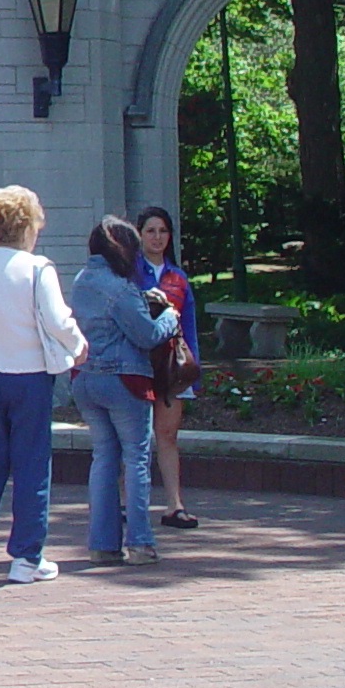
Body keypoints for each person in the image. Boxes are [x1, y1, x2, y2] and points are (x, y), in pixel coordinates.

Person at [0, 184, 86, 583]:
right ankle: (25, 557)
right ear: (28, 227)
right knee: (31, 467)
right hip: (29, 378)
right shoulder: (38, 268)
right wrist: (78, 346)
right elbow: (59, 322)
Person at [69, 216, 182, 564]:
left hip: (85, 378)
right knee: (136, 459)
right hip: (123, 379)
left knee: (103, 457)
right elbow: (146, 334)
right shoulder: (119, 286)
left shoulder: (81, 280)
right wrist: (169, 316)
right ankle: (140, 543)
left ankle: (102, 544)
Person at [133, 205, 202, 530]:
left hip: (170, 366)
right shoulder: (131, 272)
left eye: (162, 231)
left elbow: (188, 325)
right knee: (132, 436)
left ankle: (175, 504)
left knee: (167, 435)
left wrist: (192, 371)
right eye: (150, 231)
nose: (157, 238)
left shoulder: (178, 277)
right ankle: (127, 503)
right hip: (137, 363)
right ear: (140, 235)